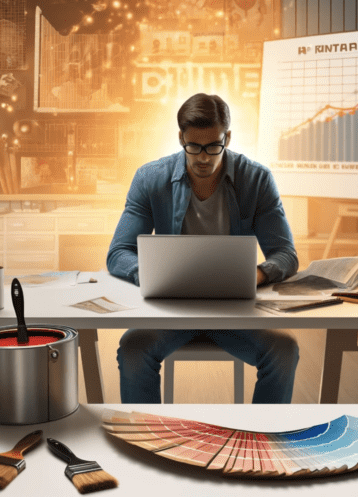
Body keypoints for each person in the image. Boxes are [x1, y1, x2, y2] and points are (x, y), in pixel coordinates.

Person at [107, 93, 300, 403]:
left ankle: (263, 440)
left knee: (284, 348)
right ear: (181, 137)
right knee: (133, 349)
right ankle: (145, 440)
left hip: (234, 313)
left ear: (228, 137)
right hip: (170, 312)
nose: (203, 158)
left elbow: (286, 254)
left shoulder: (257, 180)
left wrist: (259, 275)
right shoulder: (150, 178)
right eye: (193, 146)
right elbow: (119, 253)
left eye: (214, 146)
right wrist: (149, 274)